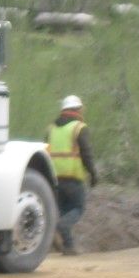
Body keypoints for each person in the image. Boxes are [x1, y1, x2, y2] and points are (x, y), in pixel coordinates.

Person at [46, 94, 98, 255]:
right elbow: (86, 153)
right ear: (78, 109)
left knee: (62, 209)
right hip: (73, 177)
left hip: (54, 178)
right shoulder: (78, 128)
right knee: (77, 208)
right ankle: (65, 238)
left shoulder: (51, 129)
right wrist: (93, 174)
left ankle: (62, 242)